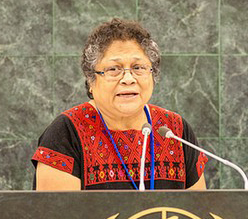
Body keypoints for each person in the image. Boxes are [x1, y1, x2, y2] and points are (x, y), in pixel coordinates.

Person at [31, 18, 208, 190]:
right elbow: (56, 218)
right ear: (91, 80)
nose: (128, 79)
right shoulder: (66, 133)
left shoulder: (174, 130)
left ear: (153, 76)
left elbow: (198, 215)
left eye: (138, 68)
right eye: (114, 69)